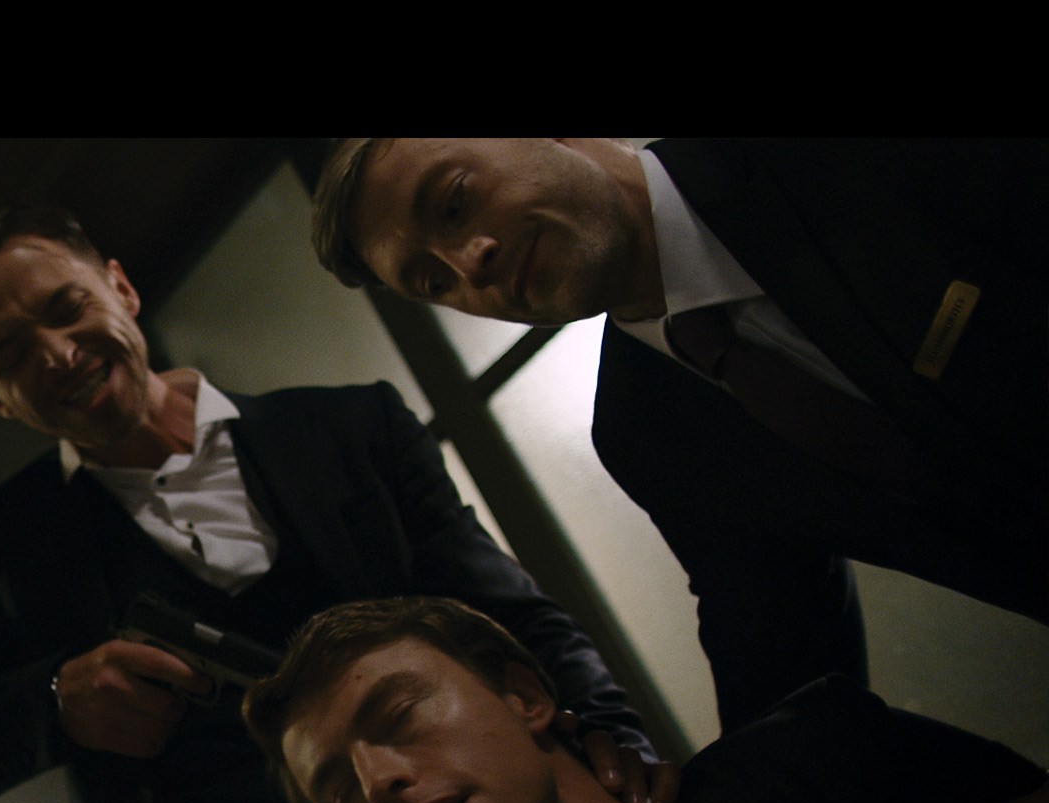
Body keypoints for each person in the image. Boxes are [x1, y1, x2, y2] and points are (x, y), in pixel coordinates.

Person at [0, 203, 666, 803]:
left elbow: (506, 614)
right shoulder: (10, 540)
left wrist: (615, 737)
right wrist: (55, 702)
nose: (59, 354)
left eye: (66, 308)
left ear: (120, 287)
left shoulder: (352, 427)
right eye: (11, 355)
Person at [310, 138, 1047, 733]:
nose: (469, 264)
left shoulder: (830, 157)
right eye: (434, 283)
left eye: (454, 202)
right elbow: (784, 663)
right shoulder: (645, 433)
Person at [243, 596, 1049, 803]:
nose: (378, 782)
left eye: (396, 716)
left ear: (525, 697)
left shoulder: (822, 757)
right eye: (341, 796)